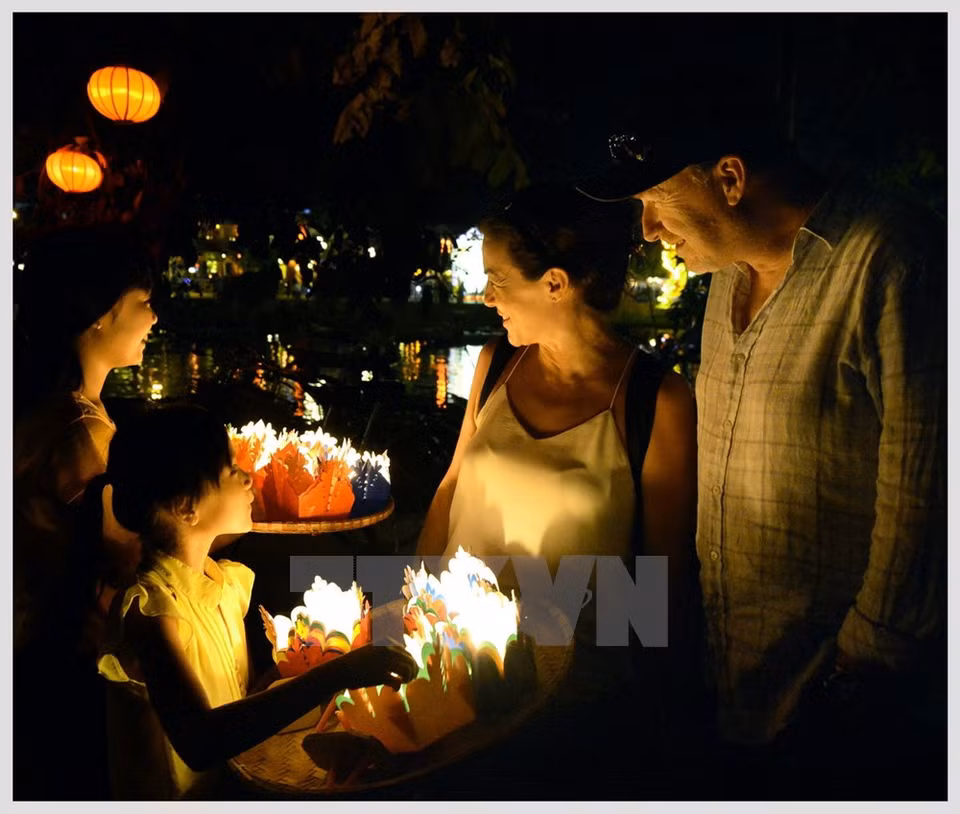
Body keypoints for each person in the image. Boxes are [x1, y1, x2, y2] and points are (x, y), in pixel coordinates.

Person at [578, 104, 947, 798]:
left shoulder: (892, 261)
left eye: (656, 200)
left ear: (730, 178)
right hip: (729, 698)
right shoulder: (726, 279)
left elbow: (926, 502)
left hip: (845, 728)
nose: (648, 228)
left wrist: (854, 687)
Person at [415, 184, 700, 796]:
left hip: (573, 708)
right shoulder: (496, 364)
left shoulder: (656, 401)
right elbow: (451, 490)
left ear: (554, 284)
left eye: (497, 279)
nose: (485, 296)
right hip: (456, 684)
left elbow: (665, 582)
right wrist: (410, 627)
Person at [89, 405, 418, 799]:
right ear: (186, 507)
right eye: (231, 470)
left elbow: (238, 704)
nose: (248, 477)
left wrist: (305, 670)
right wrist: (338, 674)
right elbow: (201, 740)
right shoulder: (153, 612)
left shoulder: (219, 584)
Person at [13, 224, 158, 799]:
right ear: (101, 314)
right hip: (69, 663)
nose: (154, 318)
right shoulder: (81, 433)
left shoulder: (51, 410)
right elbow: (130, 555)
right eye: (143, 302)